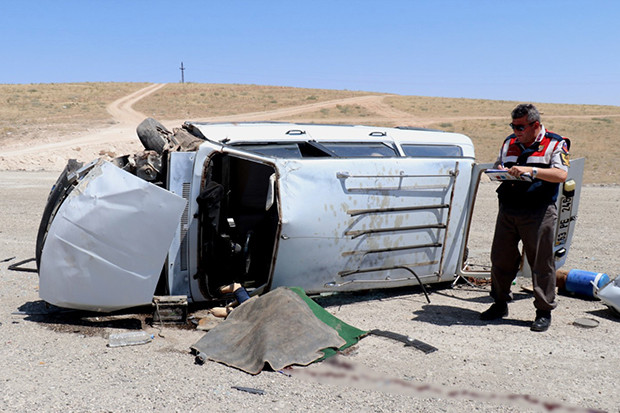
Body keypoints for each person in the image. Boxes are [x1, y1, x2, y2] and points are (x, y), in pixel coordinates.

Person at [480, 103, 570, 332]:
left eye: (520, 127)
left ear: (535, 125)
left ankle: (543, 310)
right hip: (508, 208)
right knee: (501, 259)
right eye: (513, 125)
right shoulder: (509, 141)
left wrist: (532, 171)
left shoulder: (555, 142)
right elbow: (498, 164)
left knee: (541, 262)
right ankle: (500, 303)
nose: (516, 131)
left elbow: (561, 174)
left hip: (538, 210)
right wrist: (499, 169)